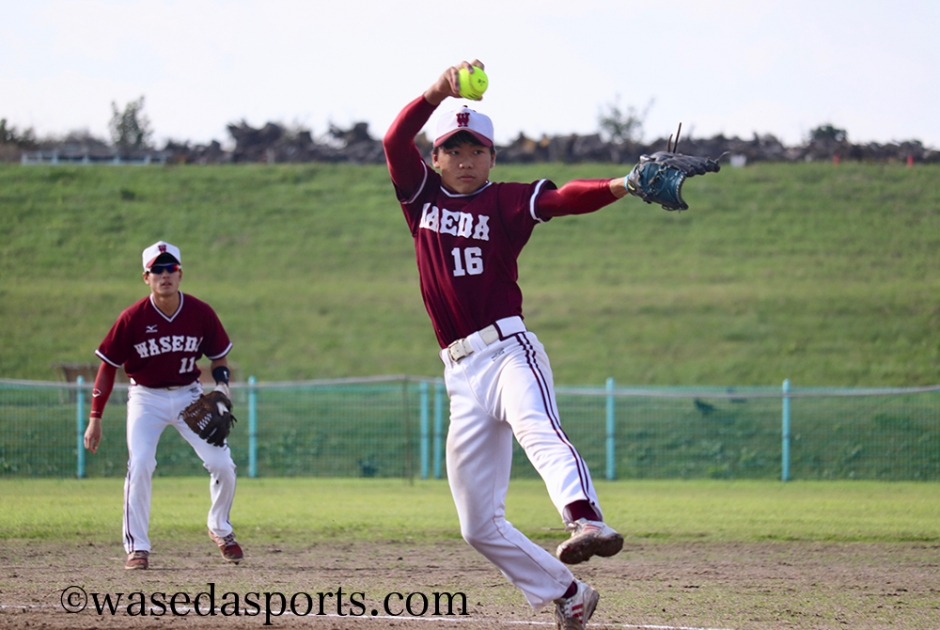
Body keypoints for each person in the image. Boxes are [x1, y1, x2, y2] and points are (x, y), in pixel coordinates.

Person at [382, 61, 629, 630]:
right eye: (453, 150)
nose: (464, 161)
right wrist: (436, 92)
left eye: (476, 152)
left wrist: (624, 185)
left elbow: (567, 198)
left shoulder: (508, 201)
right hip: (459, 374)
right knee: (476, 524)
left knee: (537, 428)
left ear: (492, 158)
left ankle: (586, 519)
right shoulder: (420, 198)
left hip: (508, 352)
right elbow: (395, 138)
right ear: (436, 158)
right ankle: (567, 594)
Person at [83, 240, 243, 570]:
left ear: (180, 273)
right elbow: (107, 366)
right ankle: (137, 547)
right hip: (146, 398)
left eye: (170, 268)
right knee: (140, 464)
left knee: (223, 465)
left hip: (190, 396)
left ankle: (220, 529)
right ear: (146, 277)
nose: (165, 274)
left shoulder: (200, 313)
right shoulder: (132, 318)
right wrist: (94, 417)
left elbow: (218, 357)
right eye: (157, 269)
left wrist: (223, 386)